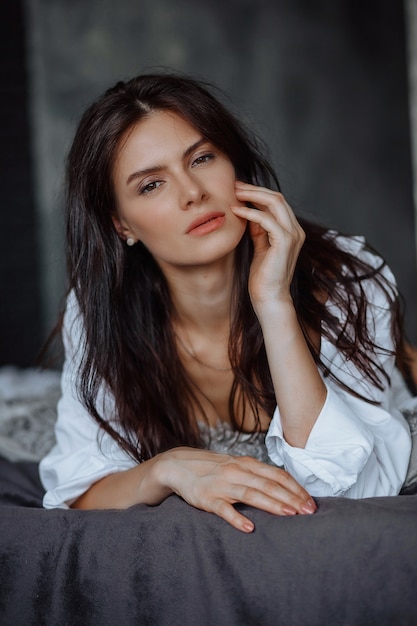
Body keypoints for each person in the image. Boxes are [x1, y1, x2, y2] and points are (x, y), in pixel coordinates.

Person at [39, 72, 414, 533]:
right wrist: (165, 469)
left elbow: (349, 491)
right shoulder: (104, 310)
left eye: (201, 158)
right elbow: (74, 496)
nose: (192, 192)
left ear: (234, 165)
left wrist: (273, 302)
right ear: (122, 226)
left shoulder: (346, 277)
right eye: (151, 185)